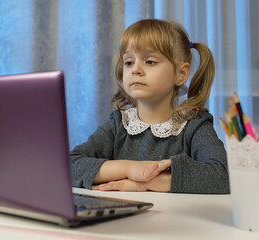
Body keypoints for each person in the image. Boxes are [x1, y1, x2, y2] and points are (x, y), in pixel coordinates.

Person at [70, 19, 229, 194]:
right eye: (129, 62)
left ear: (181, 74)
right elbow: (70, 166)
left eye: (150, 61)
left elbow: (222, 175)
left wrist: (148, 182)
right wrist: (129, 169)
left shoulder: (194, 126)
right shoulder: (118, 125)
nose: (135, 70)